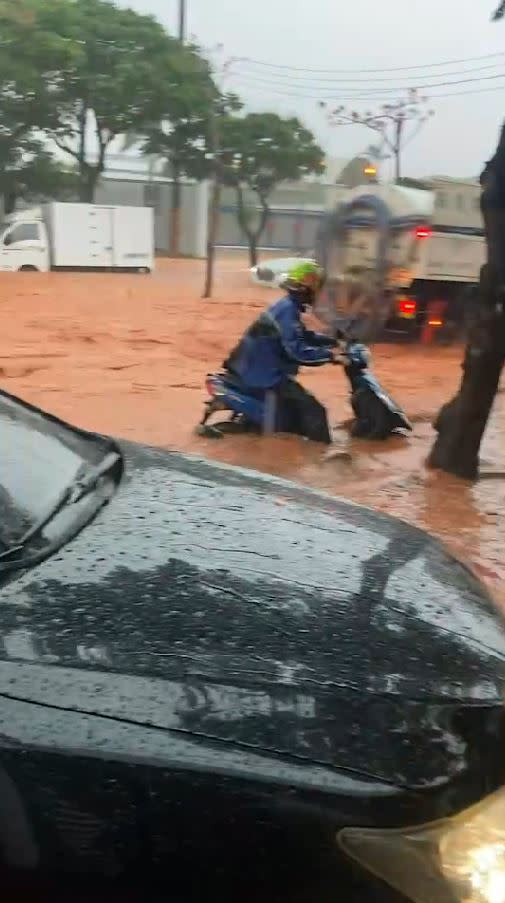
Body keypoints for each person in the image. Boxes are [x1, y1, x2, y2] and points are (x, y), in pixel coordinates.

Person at [223, 261, 337, 443]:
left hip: (255, 369)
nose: (318, 292)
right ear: (305, 288)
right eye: (316, 287)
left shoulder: (287, 306)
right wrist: (331, 356)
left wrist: (331, 341)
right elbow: (297, 352)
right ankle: (321, 455)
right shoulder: (288, 311)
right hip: (265, 376)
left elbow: (302, 336)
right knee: (315, 411)